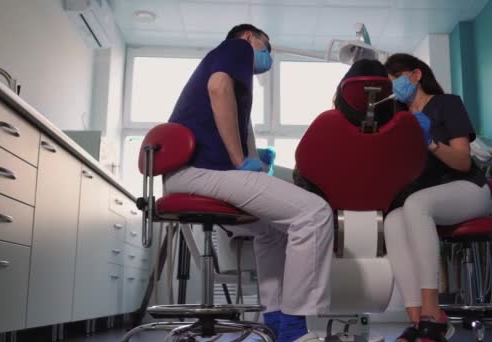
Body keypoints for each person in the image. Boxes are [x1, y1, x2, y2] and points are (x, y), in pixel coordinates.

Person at [165, 24, 334, 342]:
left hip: (188, 174)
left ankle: (275, 323)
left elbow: (219, 99)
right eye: (266, 47)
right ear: (250, 38)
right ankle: (296, 331)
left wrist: (250, 160)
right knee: (314, 214)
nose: (268, 56)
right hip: (198, 172)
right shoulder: (236, 48)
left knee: (269, 230)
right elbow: (218, 88)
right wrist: (240, 161)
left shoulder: (236, 84)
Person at [382, 53, 492, 342]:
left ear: (416, 75)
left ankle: (434, 312)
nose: (393, 87)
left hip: (470, 190)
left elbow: (462, 162)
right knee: (393, 219)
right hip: (431, 198)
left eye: (397, 78)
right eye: (389, 83)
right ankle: (418, 321)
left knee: (416, 204)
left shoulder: (447, 104)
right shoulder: (399, 120)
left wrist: (430, 142)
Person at [293, 59, 406, 196]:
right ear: (388, 94)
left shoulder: (325, 128)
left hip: (329, 210)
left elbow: (301, 175)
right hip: (388, 210)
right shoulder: (403, 131)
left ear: (343, 92)